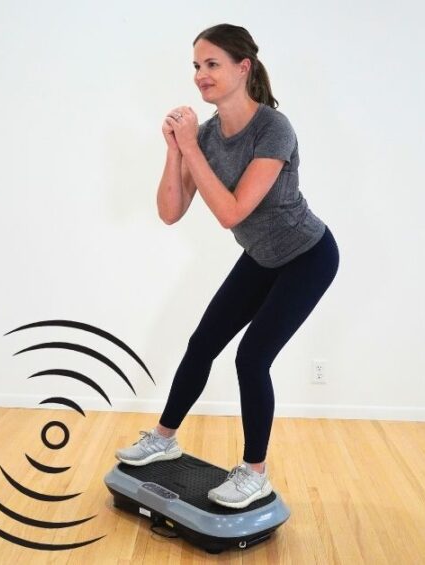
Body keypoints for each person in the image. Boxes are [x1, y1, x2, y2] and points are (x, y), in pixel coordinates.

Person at [116, 23, 340, 509]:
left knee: (252, 356)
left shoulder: (273, 129)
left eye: (212, 64)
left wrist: (192, 146)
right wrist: (176, 148)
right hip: (261, 257)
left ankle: (254, 473)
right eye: (196, 66)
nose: (201, 75)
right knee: (203, 343)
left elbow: (232, 212)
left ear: (244, 67)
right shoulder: (210, 136)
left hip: (307, 256)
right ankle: (163, 438)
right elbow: (171, 212)